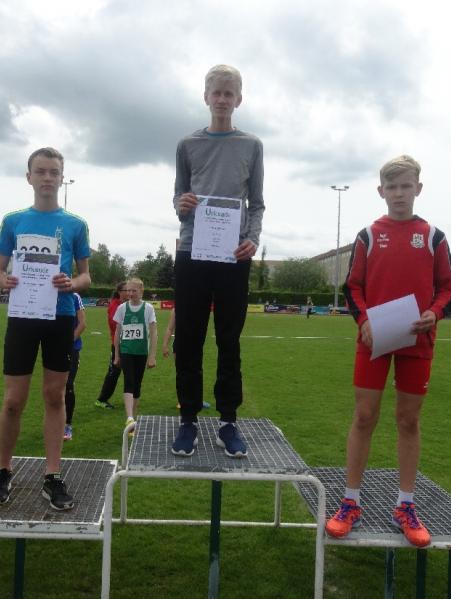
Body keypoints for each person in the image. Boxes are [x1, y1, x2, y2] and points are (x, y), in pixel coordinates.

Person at [324, 155, 451, 547]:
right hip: (374, 340)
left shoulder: (433, 237)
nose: (399, 193)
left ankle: (406, 506)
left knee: (408, 420)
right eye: (392, 187)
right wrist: (364, 321)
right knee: (365, 416)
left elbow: (449, 288)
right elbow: (353, 287)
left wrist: (434, 313)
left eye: (406, 186)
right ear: (381, 191)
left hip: (418, 340)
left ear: (419, 188)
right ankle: (350, 502)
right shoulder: (368, 235)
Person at [0, 146, 91, 510]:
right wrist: (4, 280)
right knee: (13, 400)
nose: (48, 177)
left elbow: (86, 276)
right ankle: (3, 470)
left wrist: (71, 284)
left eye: (54, 172)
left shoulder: (76, 224)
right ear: (29, 177)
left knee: (54, 396)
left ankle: (52, 474)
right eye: (41, 171)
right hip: (22, 316)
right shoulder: (13, 221)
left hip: (59, 317)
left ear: (61, 178)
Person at [170, 64, 264, 458]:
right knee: (188, 340)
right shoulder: (187, 145)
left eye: (229, 93)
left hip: (232, 257)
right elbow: (178, 199)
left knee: (229, 341)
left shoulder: (251, 145)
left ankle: (228, 421)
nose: (222, 99)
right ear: (206, 96)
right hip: (192, 253)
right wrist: (183, 204)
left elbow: (256, 203)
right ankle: (188, 420)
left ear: (238, 99)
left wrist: (251, 240)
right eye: (217, 92)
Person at [113, 277, 157, 433]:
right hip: (126, 351)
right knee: (129, 381)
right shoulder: (122, 308)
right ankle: (129, 417)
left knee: (137, 384)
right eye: (128, 290)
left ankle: (133, 419)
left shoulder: (148, 308)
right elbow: (117, 332)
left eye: (133, 290)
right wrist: (116, 355)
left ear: (141, 290)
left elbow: (154, 333)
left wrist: (152, 356)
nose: (130, 293)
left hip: (141, 352)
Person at [162, 308, 210, 410]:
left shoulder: (197, 308)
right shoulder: (176, 310)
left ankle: (198, 400)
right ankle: (182, 401)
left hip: (195, 345)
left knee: (196, 372)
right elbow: (170, 328)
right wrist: (165, 345)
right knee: (182, 373)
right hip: (180, 345)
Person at [94, 281, 129, 409]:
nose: (129, 292)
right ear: (120, 292)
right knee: (113, 372)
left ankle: (130, 398)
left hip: (128, 343)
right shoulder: (115, 305)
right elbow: (115, 325)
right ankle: (101, 399)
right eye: (126, 290)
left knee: (128, 372)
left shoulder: (125, 304)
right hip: (118, 344)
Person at [64, 292, 86, 441]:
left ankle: (67, 424)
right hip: (51, 348)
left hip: (71, 348)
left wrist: (67, 342)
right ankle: (54, 423)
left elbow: (82, 324)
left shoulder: (74, 296)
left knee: (68, 385)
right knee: (53, 388)